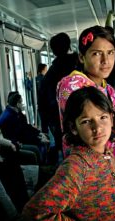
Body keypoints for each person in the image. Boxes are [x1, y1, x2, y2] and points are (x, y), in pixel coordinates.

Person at [22, 86, 115, 221]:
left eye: (103, 117)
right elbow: (35, 213)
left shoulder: (105, 153)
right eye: (86, 121)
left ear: (112, 118)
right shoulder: (77, 167)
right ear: (73, 128)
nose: (97, 128)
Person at [57, 25, 115, 166]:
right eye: (96, 54)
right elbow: (94, 140)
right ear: (81, 57)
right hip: (88, 172)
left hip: (111, 172)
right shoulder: (73, 85)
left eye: (110, 53)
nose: (106, 60)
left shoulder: (109, 91)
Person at [38, 32, 78, 165]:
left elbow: (42, 106)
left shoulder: (48, 77)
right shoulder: (80, 66)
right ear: (69, 46)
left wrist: (45, 128)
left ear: (53, 51)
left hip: (59, 123)